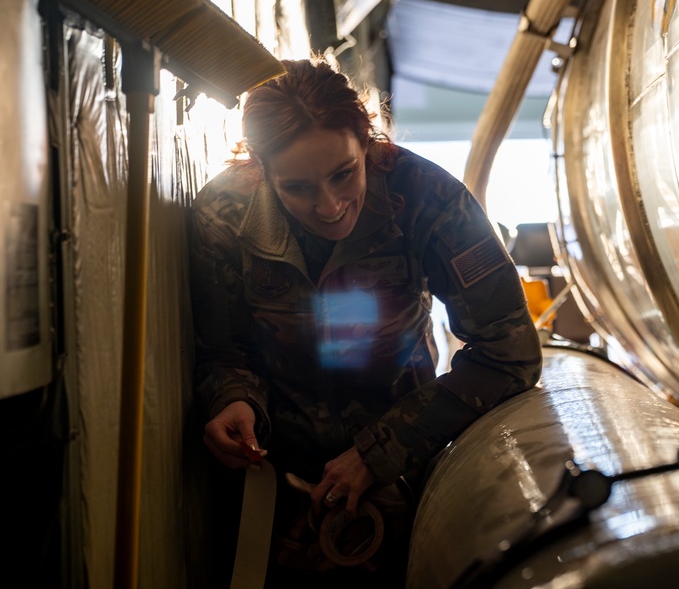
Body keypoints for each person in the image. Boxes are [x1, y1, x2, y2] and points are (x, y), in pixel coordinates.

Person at [190, 57, 542, 586]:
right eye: (298, 188)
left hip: (408, 474)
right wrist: (233, 399)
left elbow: (509, 352)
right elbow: (225, 351)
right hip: (277, 485)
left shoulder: (429, 198)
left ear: (369, 143)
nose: (330, 206)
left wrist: (381, 452)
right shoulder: (224, 215)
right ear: (259, 170)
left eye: (343, 174)